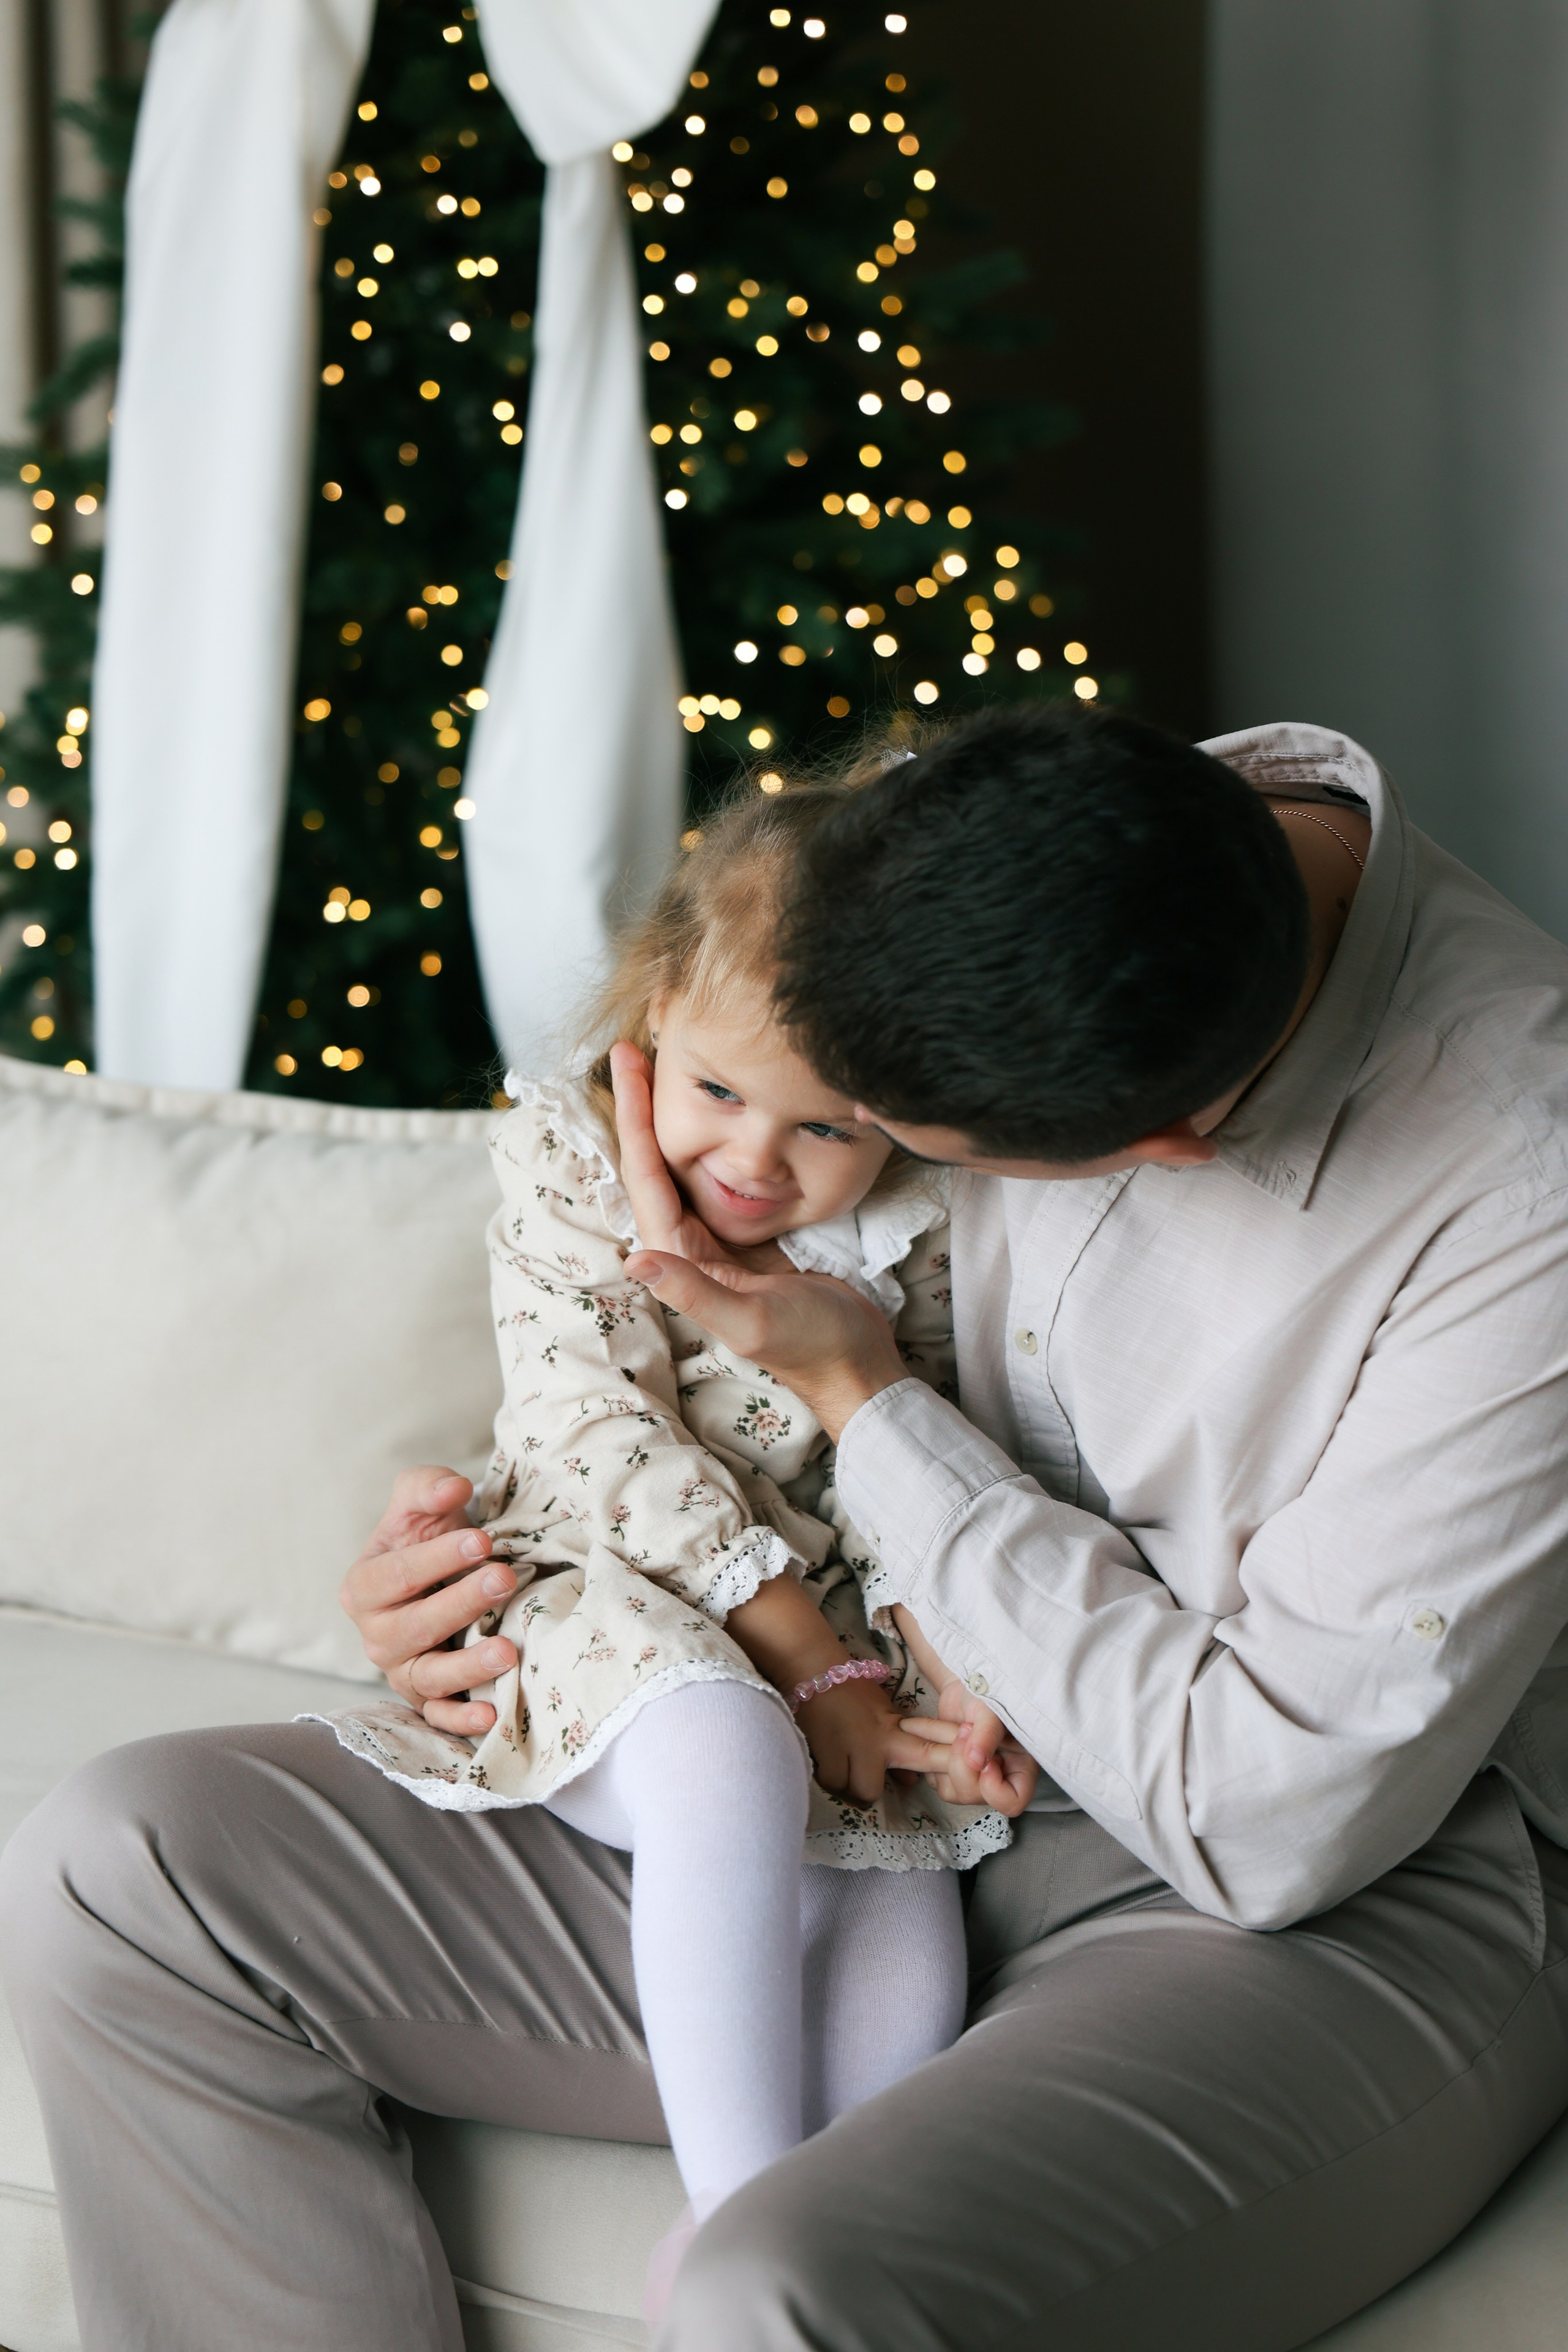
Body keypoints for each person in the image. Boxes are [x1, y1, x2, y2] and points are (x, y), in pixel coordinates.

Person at [4, 707, 1568, 2352]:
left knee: (785, 2291)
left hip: (1295, 1875)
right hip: (839, 1740)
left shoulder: (1518, 1193)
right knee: (130, 1872)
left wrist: (869, 1405)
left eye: (866, 1149)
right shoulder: (943, 864)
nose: (773, 1164)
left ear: (1158, 1158)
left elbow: (1272, 1818)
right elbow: (624, 1348)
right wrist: (502, 1589)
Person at [303, 783, 1030, 2299]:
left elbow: (914, 1452)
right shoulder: (569, 1160)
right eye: (715, 1093)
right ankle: (745, 2213)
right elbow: (591, 1426)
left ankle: (816, 2244)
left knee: (901, 1854)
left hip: (828, 1621)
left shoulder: (918, 1227)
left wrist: (935, 1662)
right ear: (648, 1029)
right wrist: (803, 1655)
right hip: (598, 1584)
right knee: (720, 1744)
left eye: (826, 1123)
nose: (757, 1160)